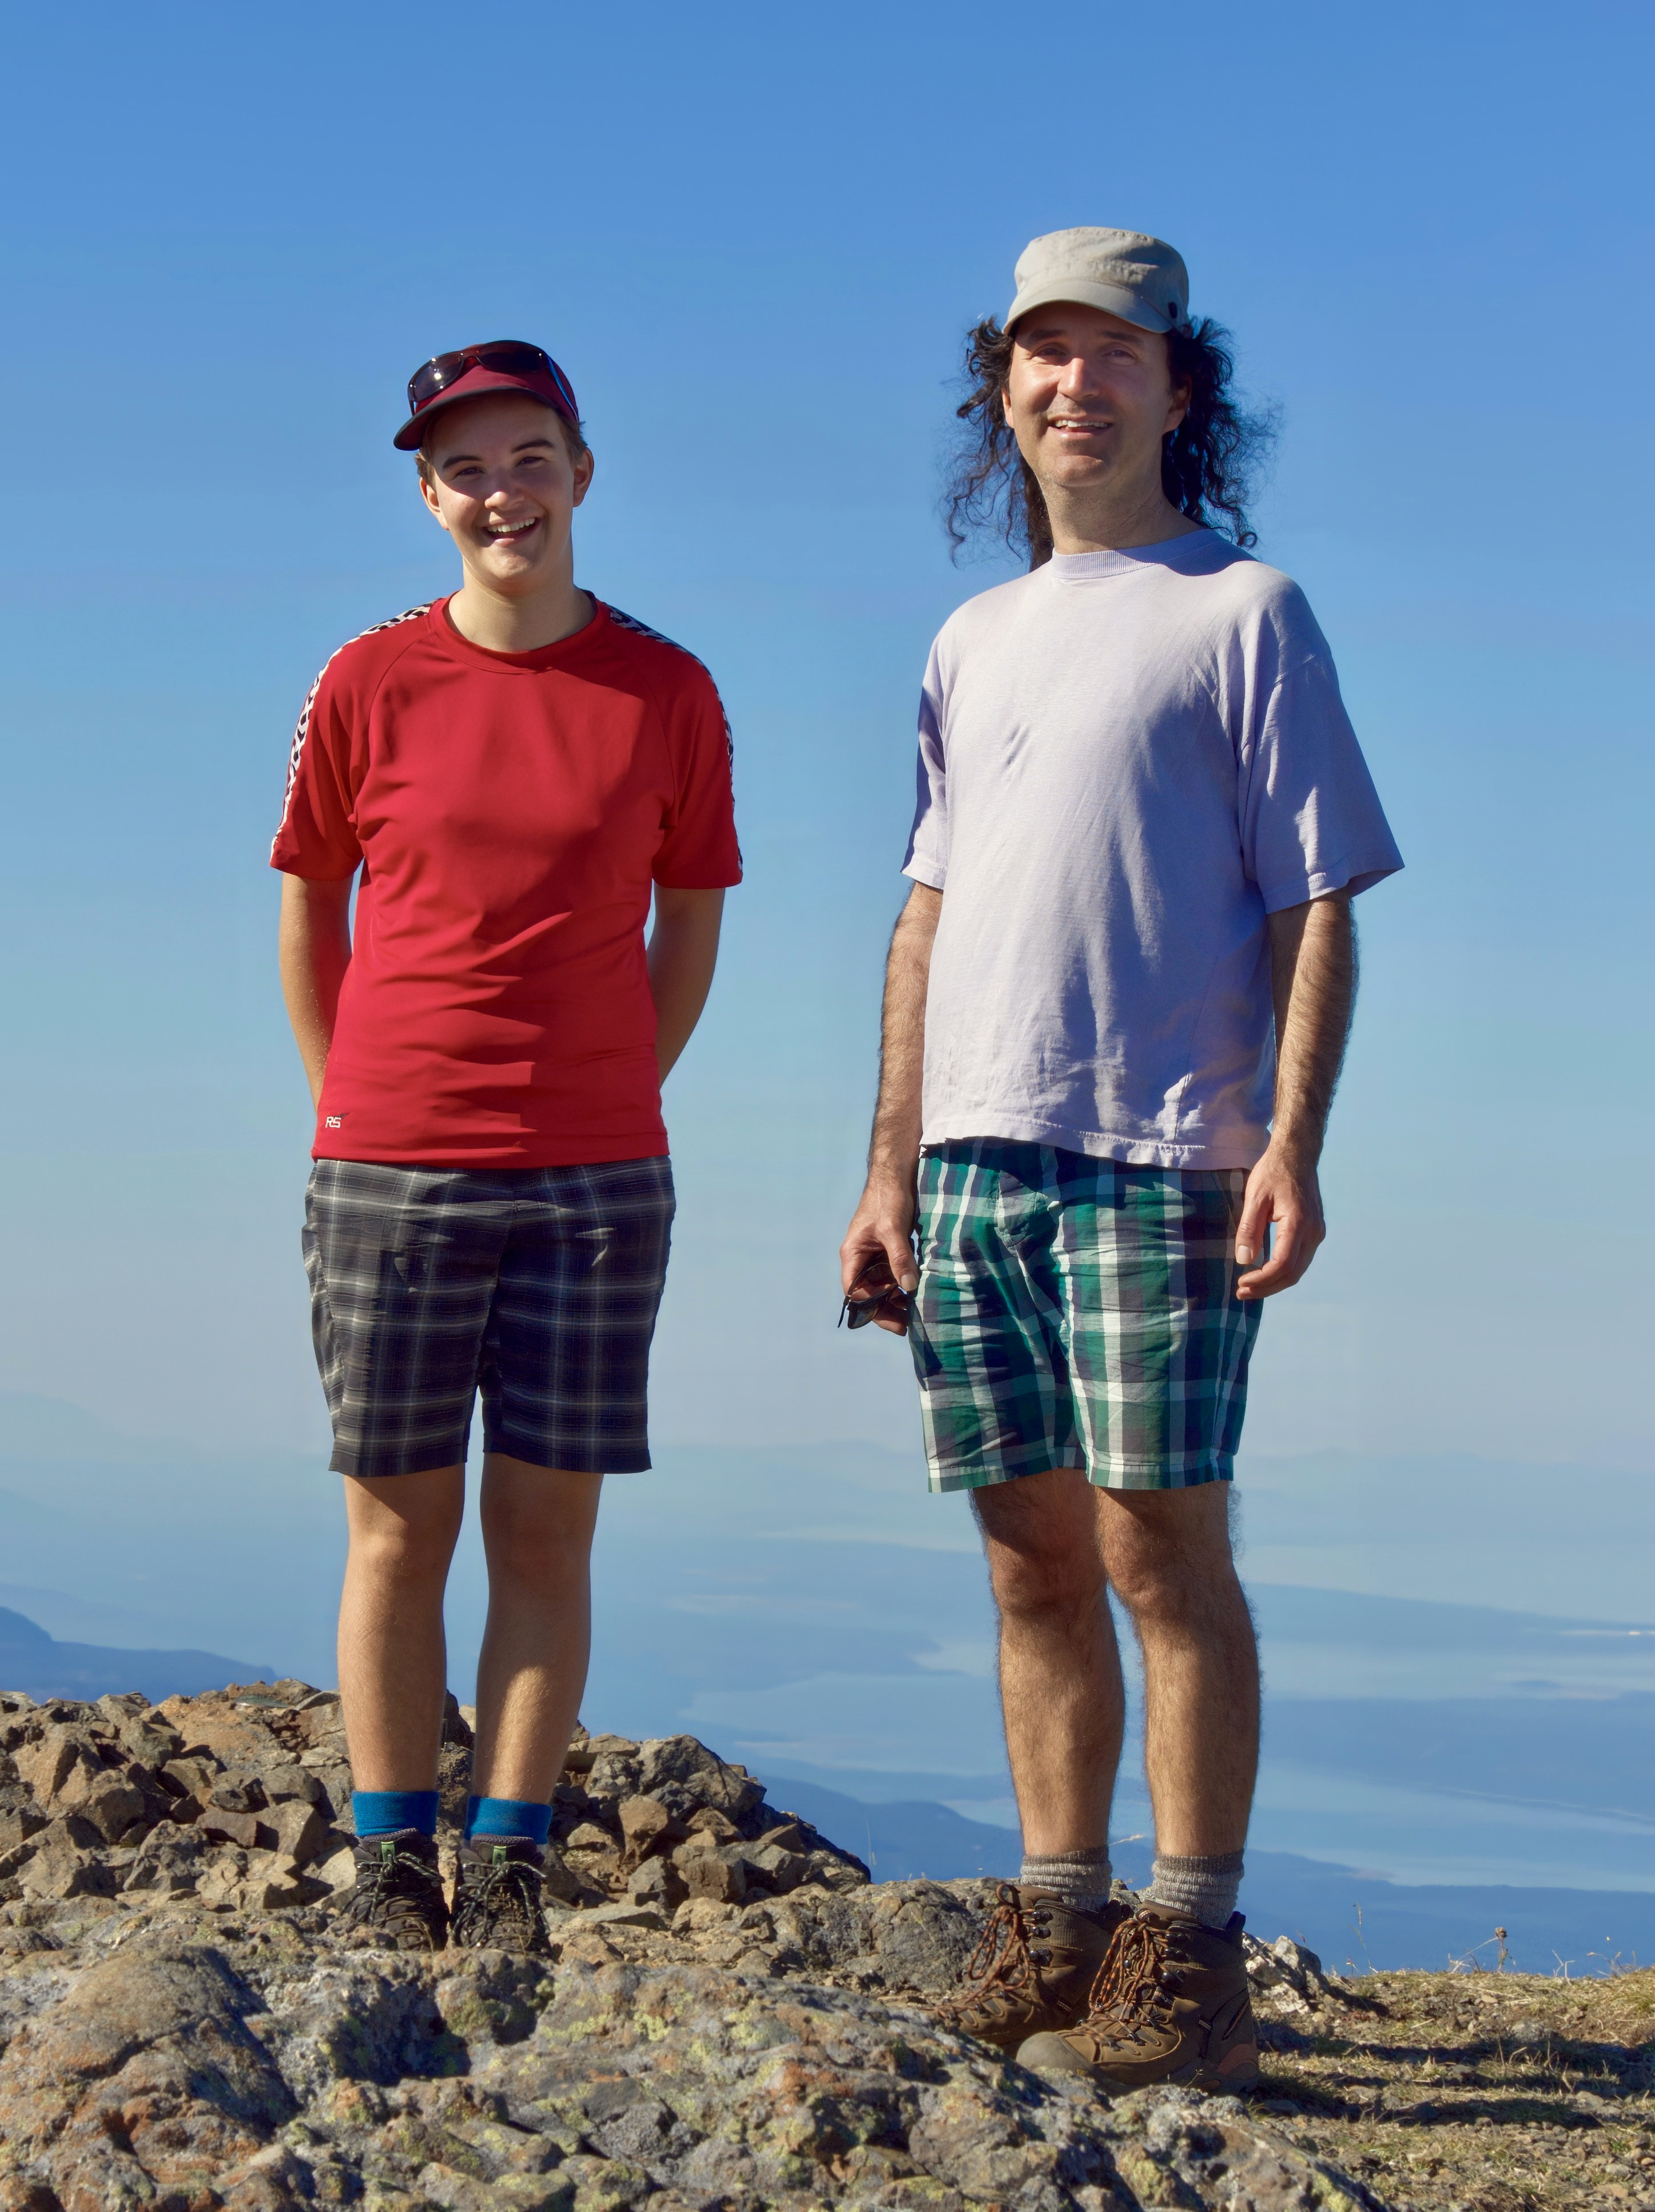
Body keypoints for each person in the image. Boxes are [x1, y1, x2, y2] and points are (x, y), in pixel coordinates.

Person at [839, 230, 1402, 2090]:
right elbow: (927, 917)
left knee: (1166, 1553)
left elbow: (1319, 899)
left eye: (1114, 353)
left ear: (1181, 385)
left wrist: (1293, 1147)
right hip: (976, 1162)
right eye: (1041, 354)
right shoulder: (968, 637)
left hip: (1164, 1155)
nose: (1074, 383)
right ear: (1002, 393)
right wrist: (885, 1167)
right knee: (1025, 1563)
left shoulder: (1245, 609)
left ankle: (1194, 1945)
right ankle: (1056, 1917)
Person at [273, 340, 739, 1953]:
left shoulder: (666, 691)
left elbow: (692, 923)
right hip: (389, 1164)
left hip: (597, 1177)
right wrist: (359, 1104)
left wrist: (611, 1081)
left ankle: (513, 1861)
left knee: (546, 1529)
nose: (501, 493)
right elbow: (308, 906)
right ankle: (397, 1858)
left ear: (583, 474)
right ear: (428, 495)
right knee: (397, 1525)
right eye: (467, 468)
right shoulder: (365, 681)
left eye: (530, 458)